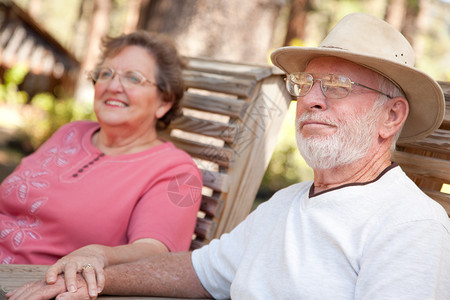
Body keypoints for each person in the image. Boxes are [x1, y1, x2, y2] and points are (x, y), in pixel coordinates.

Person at [7, 12, 450, 300]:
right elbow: (201, 272)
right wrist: (98, 270)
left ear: (391, 115)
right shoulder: (287, 204)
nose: (312, 100)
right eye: (307, 85)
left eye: (337, 86)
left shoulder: (409, 226)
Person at [1, 31, 202, 295]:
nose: (113, 86)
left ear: (164, 102)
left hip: (30, 285)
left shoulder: (176, 172)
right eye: (106, 74)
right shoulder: (71, 132)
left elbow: (155, 252)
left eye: (133, 78)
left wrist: (99, 254)